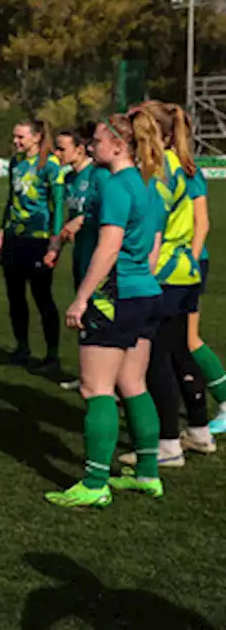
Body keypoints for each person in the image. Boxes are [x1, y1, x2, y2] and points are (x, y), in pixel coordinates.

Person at [44, 112, 165, 507]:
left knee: (96, 388)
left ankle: (95, 484)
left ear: (119, 145)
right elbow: (152, 247)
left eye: (97, 139)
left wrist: (82, 297)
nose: (92, 144)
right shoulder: (149, 184)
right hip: (145, 293)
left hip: (115, 296)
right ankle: (148, 473)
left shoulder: (114, 185)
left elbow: (109, 247)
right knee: (133, 383)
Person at [121, 102, 209, 466]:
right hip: (185, 272)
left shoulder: (158, 172)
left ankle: (168, 442)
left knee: (156, 360)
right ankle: (199, 430)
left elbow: (150, 229)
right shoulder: (179, 166)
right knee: (177, 352)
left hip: (165, 275)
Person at [0, 118, 65, 370]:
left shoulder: (50, 165)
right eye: (15, 136)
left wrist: (54, 243)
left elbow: (58, 205)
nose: (15, 141)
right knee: (15, 297)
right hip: (15, 239)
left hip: (38, 240)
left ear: (36, 138)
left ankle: (52, 355)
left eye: (21, 137)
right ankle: (22, 347)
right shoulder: (15, 163)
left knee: (42, 297)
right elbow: (10, 200)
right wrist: (2, 233)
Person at [45, 126, 109, 391]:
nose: (56, 152)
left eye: (61, 148)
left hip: (99, 254)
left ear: (79, 149)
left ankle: (108, 379)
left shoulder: (99, 176)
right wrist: (56, 246)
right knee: (84, 313)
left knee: (100, 313)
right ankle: (88, 374)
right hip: (80, 254)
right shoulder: (70, 178)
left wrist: (81, 220)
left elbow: (108, 211)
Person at [185, 162, 226, 434]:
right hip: (163, 264)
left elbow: (202, 222)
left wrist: (190, 261)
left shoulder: (186, 170)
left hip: (185, 265)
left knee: (188, 339)